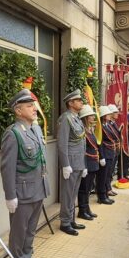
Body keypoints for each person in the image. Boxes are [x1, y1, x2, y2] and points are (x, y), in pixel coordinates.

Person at [0, 89, 49, 258]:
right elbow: (7, 167)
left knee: (30, 231)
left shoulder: (35, 130)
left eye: (33, 105)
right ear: (18, 111)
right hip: (22, 193)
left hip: (38, 189)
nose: (34, 108)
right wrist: (10, 196)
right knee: (18, 234)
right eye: (29, 106)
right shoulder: (13, 133)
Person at [56, 90, 86, 236]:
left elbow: (82, 142)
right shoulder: (65, 119)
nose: (81, 102)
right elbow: (62, 144)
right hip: (71, 163)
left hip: (79, 162)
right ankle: (65, 222)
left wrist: (84, 163)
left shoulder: (77, 118)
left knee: (73, 193)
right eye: (78, 100)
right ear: (71, 103)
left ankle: (71, 219)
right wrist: (65, 164)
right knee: (68, 194)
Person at [77, 105, 100, 221]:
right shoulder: (83, 131)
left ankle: (87, 208)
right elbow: (82, 150)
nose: (93, 117)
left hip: (93, 162)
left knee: (89, 188)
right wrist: (84, 166)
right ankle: (82, 210)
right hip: (87, 163)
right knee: (84, 189)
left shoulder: (89, 129)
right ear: (85, 117)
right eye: (90, 115)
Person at [96, 106, 118, 204]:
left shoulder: (107, 125)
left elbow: (114, 136)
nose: (110, 115)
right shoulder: (100, 126)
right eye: (108, 114)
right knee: (102, 177)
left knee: (107, 175)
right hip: (104, 153)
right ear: (104, 116)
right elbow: (99, 142)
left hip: (110, 152)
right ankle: (101, 196)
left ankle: (105, 194)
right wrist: (101, 156)